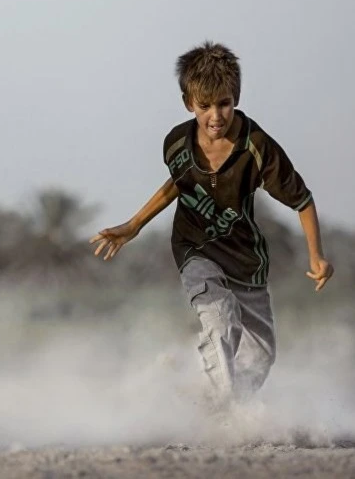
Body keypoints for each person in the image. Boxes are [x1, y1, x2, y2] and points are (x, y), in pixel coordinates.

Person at [90, 40, 333, 408]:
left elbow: (302, 199)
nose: (215, 116)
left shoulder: (257, 146)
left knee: (261, 354)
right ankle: (225, 414)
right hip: (194, 247)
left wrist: (316, 256)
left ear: (236, 98)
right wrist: (134, 224)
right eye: (205, 106)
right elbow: (178, 183)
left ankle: (213, 401)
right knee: (219, 321)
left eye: (224, 103)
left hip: (244, 257)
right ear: (189, 103)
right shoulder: (176, 144)